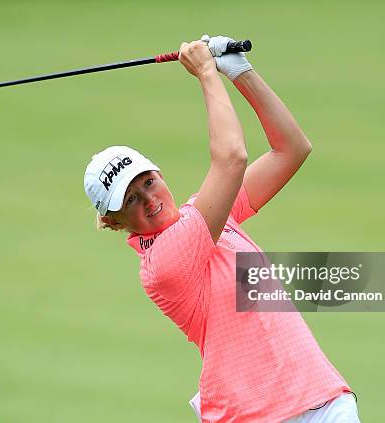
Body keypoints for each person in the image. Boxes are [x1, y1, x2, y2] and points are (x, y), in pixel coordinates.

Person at [84, 35, 360, 423]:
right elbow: (231, 158)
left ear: (159, 173)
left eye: (147, 181)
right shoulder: (162, 265)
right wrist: (206, 73)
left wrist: (241, 72)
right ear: (114, 223)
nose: (148, 199)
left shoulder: (208, 213)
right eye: (130, 200)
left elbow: (292, 148)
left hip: (323, 400)